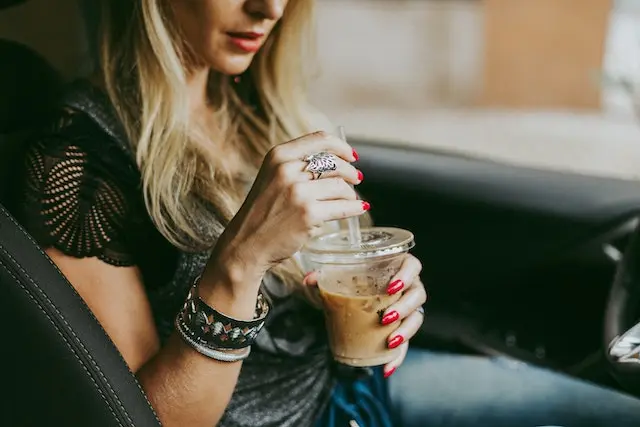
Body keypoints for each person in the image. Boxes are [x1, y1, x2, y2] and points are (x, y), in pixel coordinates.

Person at [11, 0, 640, 426]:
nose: (270, 7)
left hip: (354, 388)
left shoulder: (259, 110)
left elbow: (330, 288)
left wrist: (386, 304)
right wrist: (242, 259)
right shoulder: (80, 162)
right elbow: (146, 418)